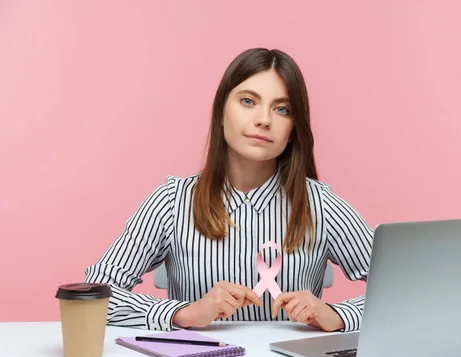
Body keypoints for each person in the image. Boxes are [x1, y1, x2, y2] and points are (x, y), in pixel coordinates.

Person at [84, 48, 374, 333]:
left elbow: (411, 288)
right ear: (221, 112)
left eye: (282, 109)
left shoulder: (321, 205)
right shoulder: (172, 202)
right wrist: (184, 313)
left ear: (293, 129)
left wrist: (337, 316)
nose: (264, 119)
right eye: (248, 101)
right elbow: (94, 294)